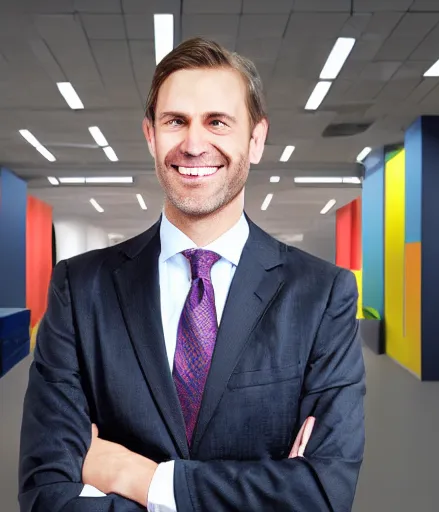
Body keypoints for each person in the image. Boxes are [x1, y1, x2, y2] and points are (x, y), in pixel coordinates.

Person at [18, 37, 366, 511]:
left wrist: (137, 477)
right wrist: (270, 487)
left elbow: (322, 493)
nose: (194, 143)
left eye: (217, 122)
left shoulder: (322, 294)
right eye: (175, 121)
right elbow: (48, 493)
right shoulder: (79, 290)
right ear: (150, 135)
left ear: (256, 139)